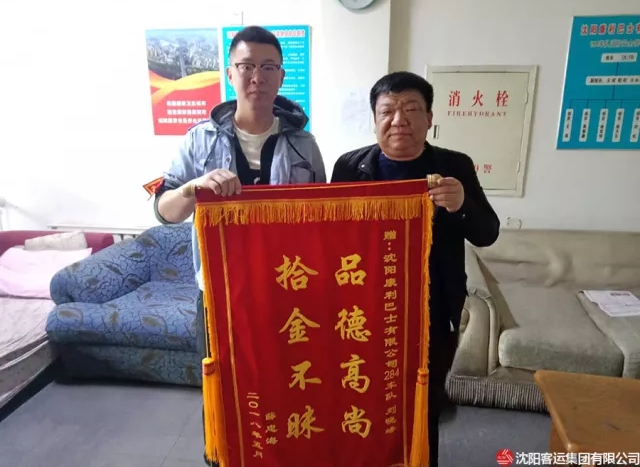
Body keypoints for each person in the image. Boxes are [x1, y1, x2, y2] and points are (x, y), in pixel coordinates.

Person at [331, 71, 499, 466]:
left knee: (424, 404)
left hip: (432, 310)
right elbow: (332, 235)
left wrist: (462, 205)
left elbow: (487, 233)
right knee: (363, 395)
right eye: (387, 111)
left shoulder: (454, 166)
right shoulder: (350, 167)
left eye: (411, 110)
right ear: (375, 119)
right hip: (364, 310)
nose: (399, 120)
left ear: (429, 118)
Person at [154, 25, 326, 367]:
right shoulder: (198, 140)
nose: (257, 77)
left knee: (287, 378)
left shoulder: (303, 144)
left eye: (268, 67)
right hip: (219, 290)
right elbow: (164, 211)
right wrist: (192, 188)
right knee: (222, 384)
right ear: (231, 73)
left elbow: (322, 219)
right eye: (247, 66)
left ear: (281, 76)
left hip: (287, 286)